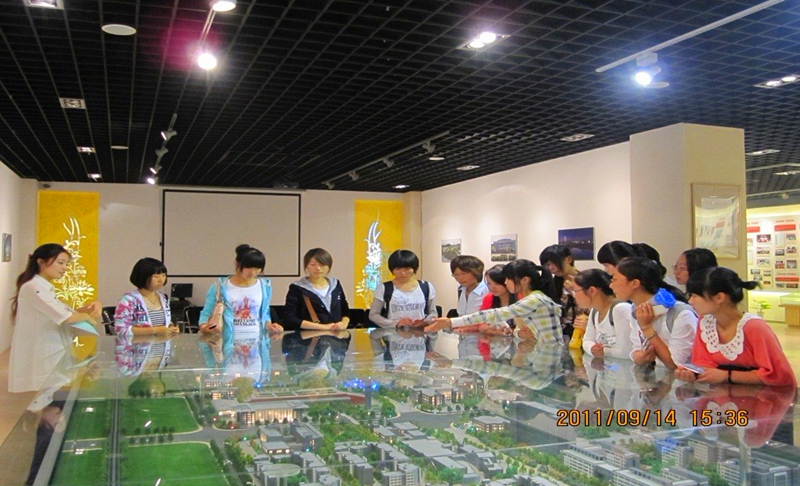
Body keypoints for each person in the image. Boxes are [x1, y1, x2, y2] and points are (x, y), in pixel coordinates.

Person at [675, 267, 796, 387]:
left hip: (759, 395)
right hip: (720, 395)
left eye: (695, 296)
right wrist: (692, 373)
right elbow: (702, 362)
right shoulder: (705, 323)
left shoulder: (755, 327)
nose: (690, 301)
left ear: (719, 298)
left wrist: (727, 376)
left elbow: (779, 375)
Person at [9, 244, 102, 393]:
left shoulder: (45, 288)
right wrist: (86, 317)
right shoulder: (33, 287)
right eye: (60, 263)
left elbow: (67, 313)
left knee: (54, 393)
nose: (64, 268)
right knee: (51, 395)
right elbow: (68, 317)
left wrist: (90, 308)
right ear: (41, 262)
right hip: (45, 349)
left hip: (54, 348)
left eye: (66, 264)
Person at [425, 259, 564, 346]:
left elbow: (494, 314)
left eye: (508, 279)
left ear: (525, 280)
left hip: (548, 359)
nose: (505, 283)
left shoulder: (534, 300)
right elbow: (521, 331)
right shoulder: (533, 299)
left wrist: (451, 322)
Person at [609, 257, 696, 369]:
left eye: (614, 280)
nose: (611, 285)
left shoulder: (681, 314)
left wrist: (646, 328)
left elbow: (676, 365)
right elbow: (636, 348)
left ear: (634, 283)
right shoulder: (635, 309)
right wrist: (639, 358)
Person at [199, 245, 283, 339]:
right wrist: (204, 327)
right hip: (228, 339)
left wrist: (270, 326)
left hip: (257, 339)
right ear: (237, 263)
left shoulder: (265, 285)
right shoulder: (220, 285)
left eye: (257, 268)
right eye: (248, 267)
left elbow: (264, 313)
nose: (253, 272)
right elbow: (206, 312)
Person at [571, 269, 634, 360]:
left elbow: (627, 352)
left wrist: (603, 351)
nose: (574, 296)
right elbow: (587, 340)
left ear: (592, 291)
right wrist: (592, 349)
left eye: (575, 291)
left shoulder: (620, 309)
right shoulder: (594, 311)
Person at [283, 248, 350, 331]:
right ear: (306, 266)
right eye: (313, 264)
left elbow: (345, 309)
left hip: (336, 336)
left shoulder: (335, 284)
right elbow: (290, 318)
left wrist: (344, 323)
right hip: (310, 336)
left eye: (322, 264)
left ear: (329, 266)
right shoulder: (297, 288)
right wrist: (323, 327)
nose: (318, 268)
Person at [369, 250, 437, 329]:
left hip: (420, 333)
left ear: (414, 268)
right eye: (398, 269)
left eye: (407, 268)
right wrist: (395, 323)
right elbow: (373, 315)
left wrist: (425, 322)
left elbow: (433, 312)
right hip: (393, 334)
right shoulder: (384, 288)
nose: (403, 272)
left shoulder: (426, 287)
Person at [114, 257, 178, 338]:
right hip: (137, 345)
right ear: (143, 277)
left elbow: (164, 323)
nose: (161, 280)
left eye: (163, 275)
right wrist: (154, 331)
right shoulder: (128, 300)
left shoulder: (163, 298)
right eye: (156, 276)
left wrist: (171, 328)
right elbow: (121, 330)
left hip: (162, 344)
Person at [455, 264, 517, 335]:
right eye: (489, 284)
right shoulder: (488, 298)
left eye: (496, 284)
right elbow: (481, 322)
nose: (492, 287)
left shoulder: (519, 299)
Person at [540, 244, 582, 338]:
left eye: (554, 263)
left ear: (569, 259)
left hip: (582, 334)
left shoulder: (587, 281)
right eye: (547, 265)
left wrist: (575, 293)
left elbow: (593, 309)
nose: (551, 268)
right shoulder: (552, 285)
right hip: (559, 336)